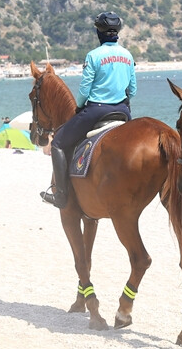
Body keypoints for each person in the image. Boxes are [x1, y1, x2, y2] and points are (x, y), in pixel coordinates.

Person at [40, 11, 136, 208]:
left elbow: (84, 90)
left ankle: (61, 196)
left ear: (99, 32)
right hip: (123, 111)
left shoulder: (93, 56)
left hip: (96, 111)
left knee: (57, 143)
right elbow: (132, 90)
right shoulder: (128, 55)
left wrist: (79, 106)